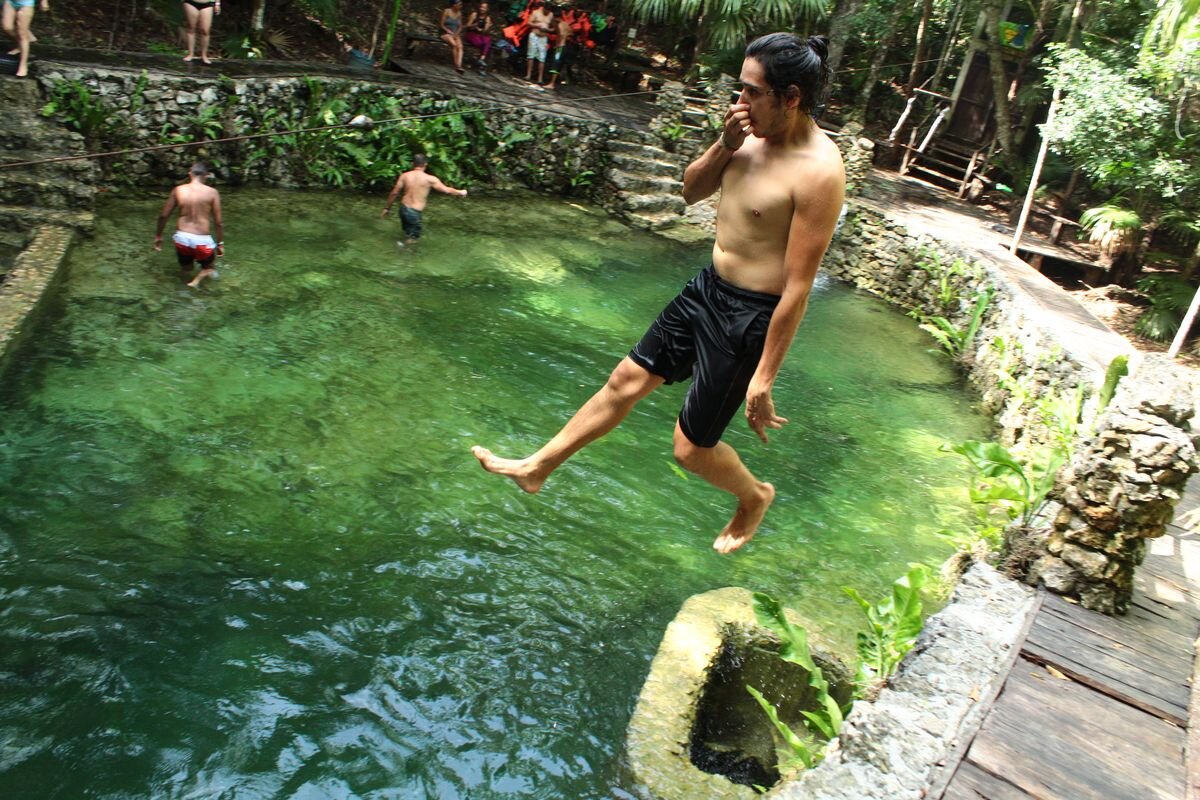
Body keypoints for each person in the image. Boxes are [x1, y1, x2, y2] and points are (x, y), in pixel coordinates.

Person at [472, 34, 845, 554]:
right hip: (706, 289)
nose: (740, 103)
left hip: (750, 318)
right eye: (739, 90)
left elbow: (799, 288)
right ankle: (537, 467)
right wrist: (724, 144)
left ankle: (755, 495)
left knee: (690, 451)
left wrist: (763, 379)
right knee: (623, 382)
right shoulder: (745, 134)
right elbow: (691, 191)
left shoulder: (820, 171)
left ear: (791, 96)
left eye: (751, 92)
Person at [154, 162, 225, 289]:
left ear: (189, 174)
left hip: (182, 239)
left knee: (186, 268)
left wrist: (158, 236)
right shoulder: (212, 192)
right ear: (207, 175)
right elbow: (218, 223)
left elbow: (163, 216)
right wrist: (220, 244)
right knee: (209, 268)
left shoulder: (178, 190)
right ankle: (197, 280)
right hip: (202, 241)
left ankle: (182, 290)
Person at [380, 154, 468, 245]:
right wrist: (461, 192)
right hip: (414, 212)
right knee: (413, 239)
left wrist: (387, 208)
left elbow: (394, 193)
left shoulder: (404, 176)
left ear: (412, 164)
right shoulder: (429, 179)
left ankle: (402, 246)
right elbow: (446, 190)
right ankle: (403, 253)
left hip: (403, 209)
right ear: (425, 164)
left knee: (407, 233)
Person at [2, 0, 48, 78]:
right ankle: (22, 44)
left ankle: (23, 65)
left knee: (22, 33)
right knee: (7, 27)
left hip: (26, 3)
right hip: (10, 1)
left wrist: (44, 1)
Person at [523, 0, 552, 87]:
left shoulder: (551, 15)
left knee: (542, 58)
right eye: (546, 9)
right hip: (534, 35)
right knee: (531, 55)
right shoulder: (536, 12)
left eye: (549, 10)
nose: (547, 12)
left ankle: (540, 78)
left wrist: (547, 30)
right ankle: (528, 74)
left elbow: (554, 28)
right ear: (543, 7)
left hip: (544, 37)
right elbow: (528, 23)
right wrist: (537, 25)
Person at [181, 0, 220, 65]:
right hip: (191, 3)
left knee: (205, 30)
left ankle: (204, 55)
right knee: (191, 27)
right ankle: (190, 54)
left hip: (207, 3)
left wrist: (217, 3)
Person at [545, 6, 573, 89]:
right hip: (565, 47)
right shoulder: (566, 24)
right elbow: (571, 33)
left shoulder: (560, 25)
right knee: (558, 64)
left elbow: (560, 35)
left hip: (560, 47)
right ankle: (552, 82)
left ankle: (552, 84)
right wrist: (566, 36)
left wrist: (558, 44)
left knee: (555, 64)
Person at [463, 1, 493, 70]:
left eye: (484, 8)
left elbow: (485, 31)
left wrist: (487, 26)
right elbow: (467, 26)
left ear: (487, 9)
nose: (482, 9)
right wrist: (474, 26)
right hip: (471, 34)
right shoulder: (474, 14)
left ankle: (481, 59)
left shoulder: (487, 18)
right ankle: (481, 60)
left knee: (488, 40)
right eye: (481, 7)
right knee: (484, 44)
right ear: (479, 7)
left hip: (480, 35)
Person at [439, 0, 466, 74]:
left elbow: (460, 27)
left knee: (460, 46)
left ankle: (459, 66)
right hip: (445, 33)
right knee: (454, 45)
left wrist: (456, 34)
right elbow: (441, 25)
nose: (461, 6)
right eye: (459, 4)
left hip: (455, 33)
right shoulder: (446, 11)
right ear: (454, 5)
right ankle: (456, 65)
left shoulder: (459, 14)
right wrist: (448, 31)